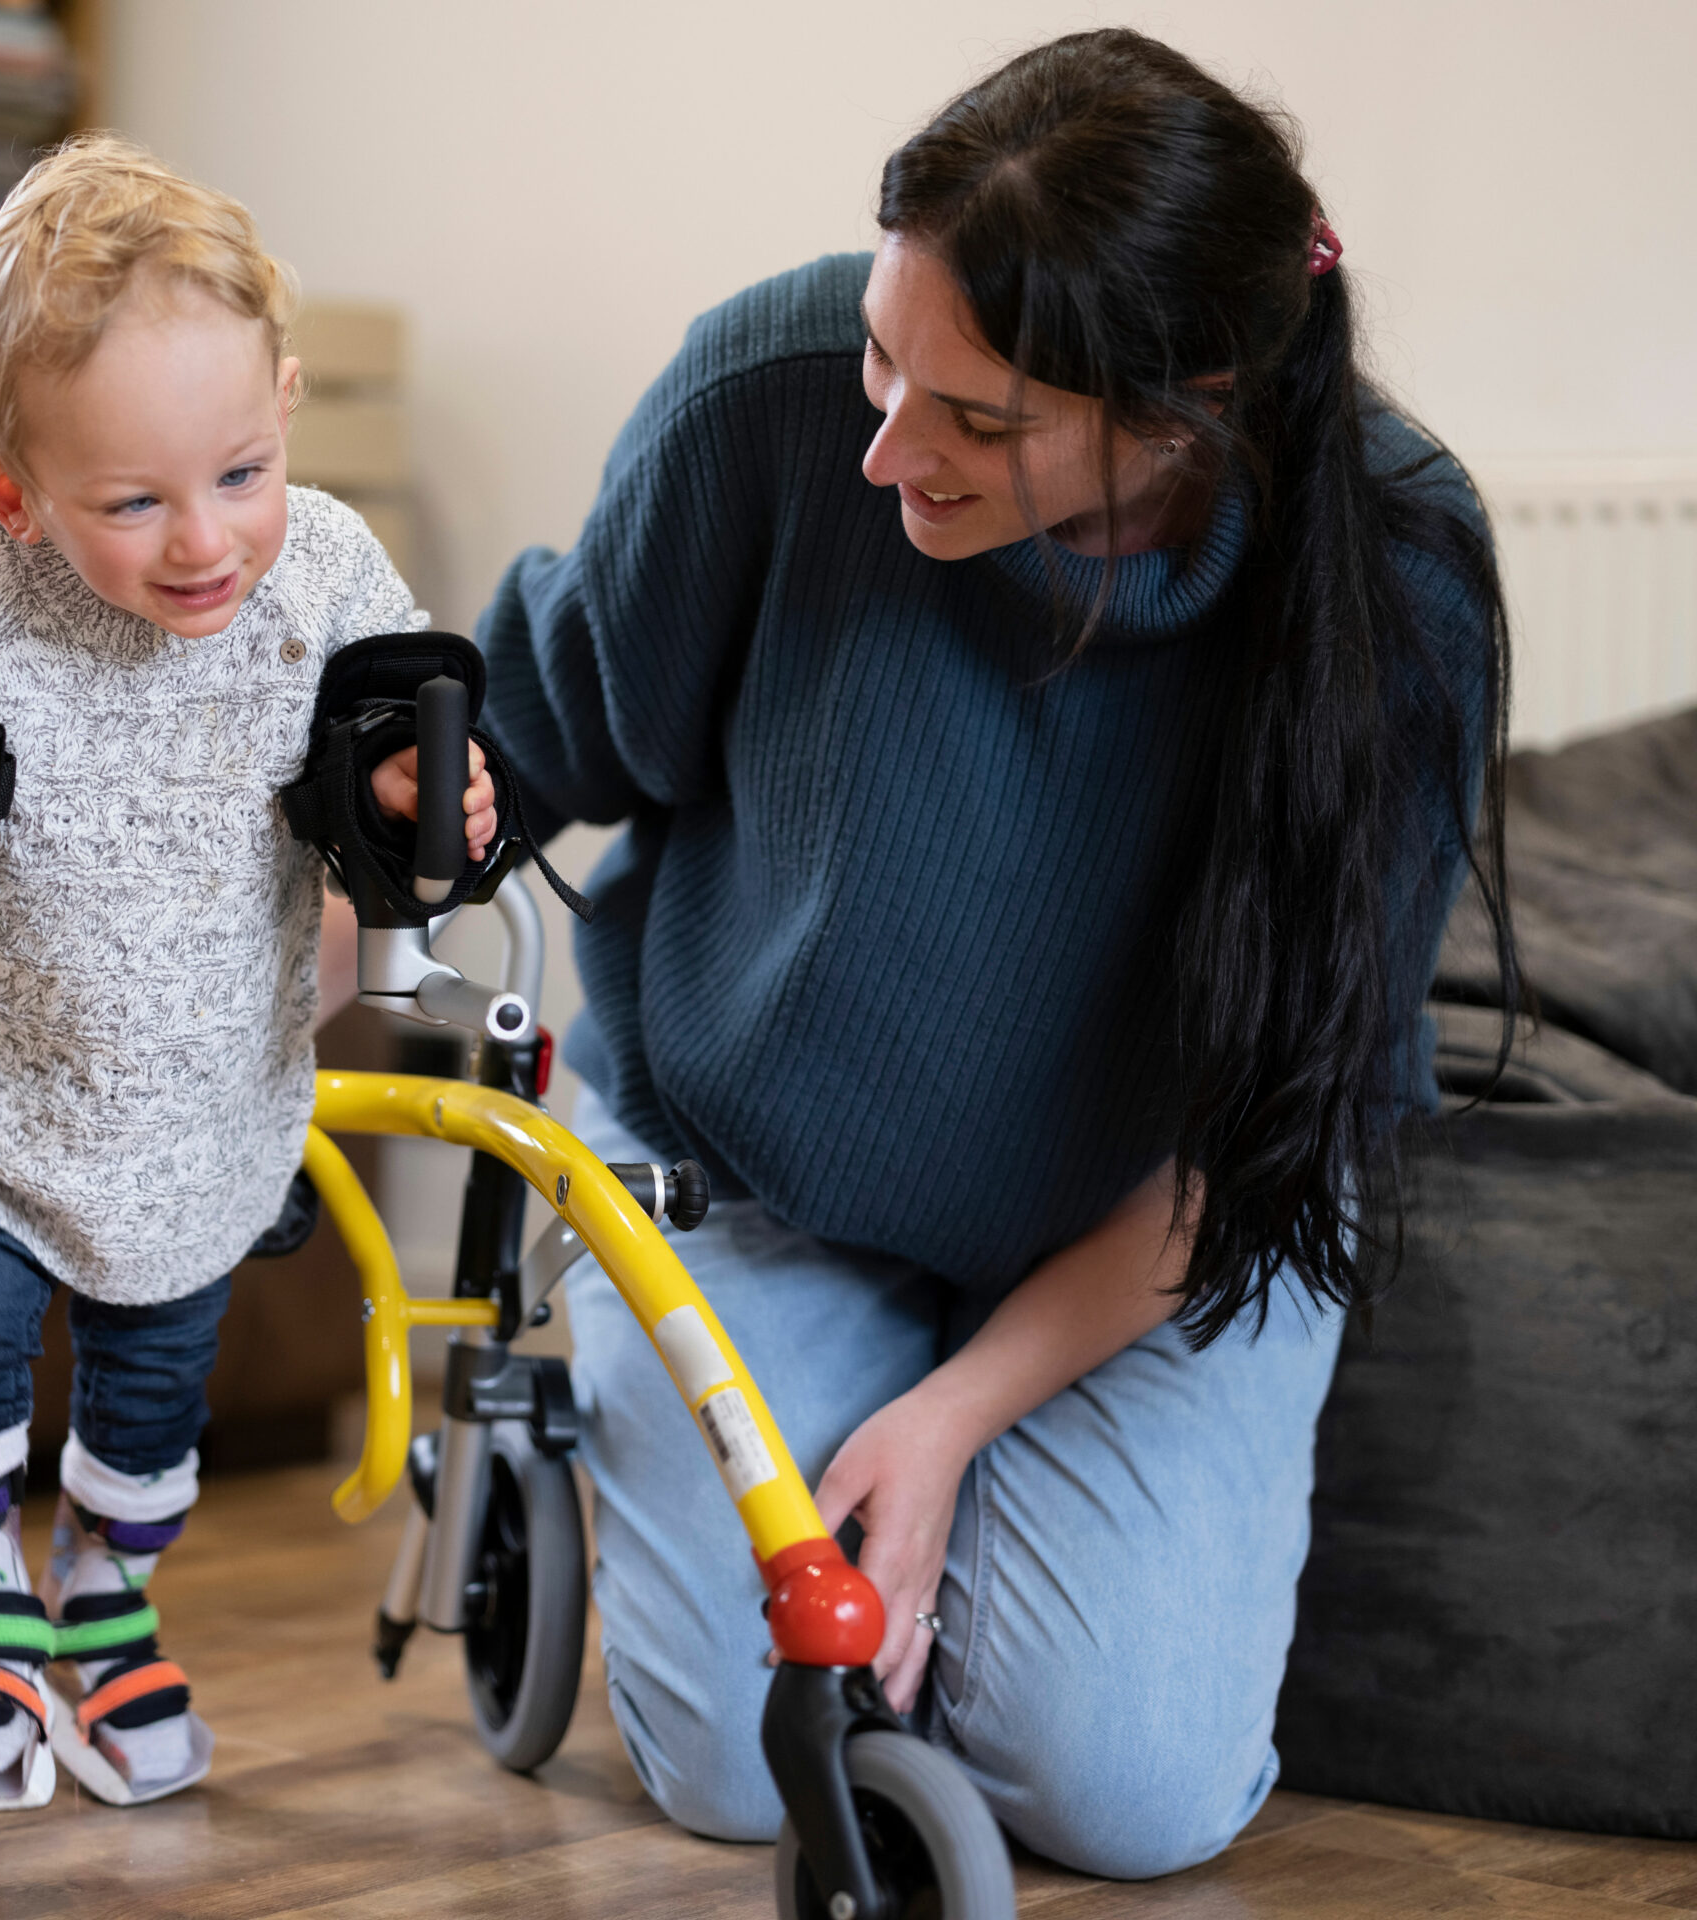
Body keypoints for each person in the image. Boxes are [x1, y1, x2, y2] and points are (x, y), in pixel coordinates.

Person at [477, 29, 1518, 1880]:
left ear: (1185, 411)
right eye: (889, 355)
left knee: (1126, 1792)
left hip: (1157, 1232)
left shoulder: (1397, 573)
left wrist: (959, 1419)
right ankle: (629, 1421)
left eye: (980, 419)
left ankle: (924, 1447)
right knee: (745, 1762)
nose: (890, 445)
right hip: (759, 1170)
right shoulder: (772, 395)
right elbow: (517, 745)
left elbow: (1270, 1127)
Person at [0, 134, 496, 1809]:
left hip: (207, 1102)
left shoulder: (319, 572)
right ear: (9, 488)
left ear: (285, 405)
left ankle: (106, 1602)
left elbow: (388, 733)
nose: (206, 543)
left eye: (242, 471)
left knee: (156, 1381)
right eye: (134, 501)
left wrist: (422, 792)